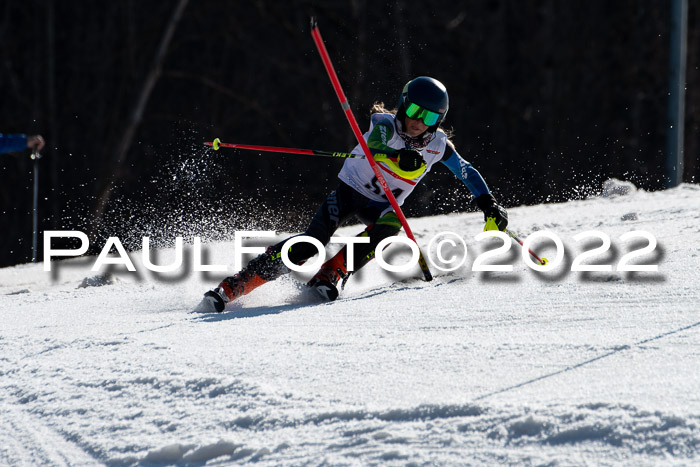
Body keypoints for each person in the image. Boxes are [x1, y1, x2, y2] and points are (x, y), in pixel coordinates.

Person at [196, 76, 508, 312]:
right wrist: (398, 157)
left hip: (383, 206)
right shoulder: (385, 124)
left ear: (437, 121)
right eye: (413, 110)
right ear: (403, 104)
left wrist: (487, 202)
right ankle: (235, 286)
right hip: (349, 193)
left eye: (427, 118)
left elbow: (466, 171)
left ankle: (332, 273)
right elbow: (377, 144)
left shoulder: (438, 145)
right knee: (310, 244)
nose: (416, 122)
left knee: (389, 227)